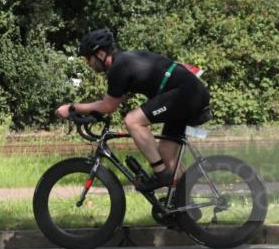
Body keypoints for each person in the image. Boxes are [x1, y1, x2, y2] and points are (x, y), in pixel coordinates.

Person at [55, 28, 210, 192]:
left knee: (133, 120)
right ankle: (183, 208)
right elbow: (111, 102)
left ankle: (160, 174)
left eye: (88, 58)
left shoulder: (119, 67)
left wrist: (71, 108)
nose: (88, 63)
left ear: (100, 54)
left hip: (186, 94)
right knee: (166, 155)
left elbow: (108, 106)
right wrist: (91, 112)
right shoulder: (123, 61)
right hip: (186, 93)